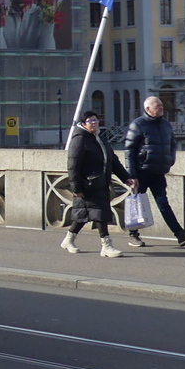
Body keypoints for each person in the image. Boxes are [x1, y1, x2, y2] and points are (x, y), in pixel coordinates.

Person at [123, 95, 185, 247]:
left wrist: (170, 160)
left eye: (161, 105)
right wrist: (132, 175)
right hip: (142, 171)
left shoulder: (165, 124)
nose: (161, 108)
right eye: (157, 106)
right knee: (137, 204)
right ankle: (133, 235)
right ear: (148, 109)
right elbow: (129, 151)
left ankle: (180, 235)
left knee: (163, 203)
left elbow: (172, 144)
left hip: (158, 171)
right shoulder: (138, 124)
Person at [62, 110, 133, 258]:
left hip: (100, 183)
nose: (94, 123)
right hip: (88, 184)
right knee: (100, 213)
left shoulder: (99, 138)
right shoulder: (79, 140)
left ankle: (69, 239)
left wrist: (126, 177)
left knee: (85, 213)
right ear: (83, 124)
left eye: (95, 120)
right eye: (90, 121)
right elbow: (73, 166)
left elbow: (112, 160)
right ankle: (106, 246)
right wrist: (76, 187)